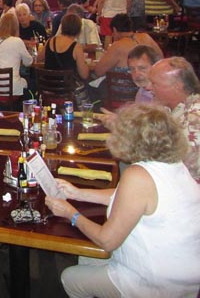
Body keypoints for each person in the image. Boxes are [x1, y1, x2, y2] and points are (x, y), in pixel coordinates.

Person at [45, 104, 200, 298]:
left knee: (70, 277)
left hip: (155, 283)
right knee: (87, 255)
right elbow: (126, 196)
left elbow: (106, 241)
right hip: (186, 273)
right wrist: (78, 193)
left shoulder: (137, 175)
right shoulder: (174, 166)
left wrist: (70, 213)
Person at [147, 57, 200, 181]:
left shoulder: (193, 121)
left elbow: (185, 171)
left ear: (177, 86)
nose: (148, 87)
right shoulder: (171, 109)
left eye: (154, 83)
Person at [40, 14, 90, 105]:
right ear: (78, 30)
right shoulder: (76, 47)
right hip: (67, 92)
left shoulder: (50, 41)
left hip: (48, 88)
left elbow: (38, 59)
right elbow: (84, 75)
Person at [94, 14, 162, 78]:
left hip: (123, 85)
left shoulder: (118, 45)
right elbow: (161, 59)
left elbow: (98, 71)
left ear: (114, 30)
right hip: (149, 82)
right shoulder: (146, 37)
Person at [0, 12, 33, 96]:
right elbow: (28, 62)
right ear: (16, 27)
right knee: (32, 82)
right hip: (9, 87)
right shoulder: (17, 41)